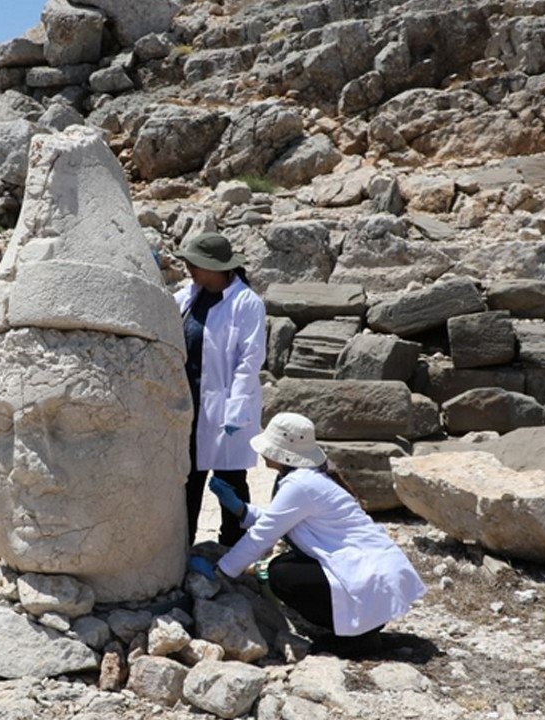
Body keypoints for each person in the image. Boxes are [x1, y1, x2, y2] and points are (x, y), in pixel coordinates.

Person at [189, 412, 427, 658]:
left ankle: (356, 638)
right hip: (374, 577)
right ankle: (359, 628)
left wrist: (221, 572)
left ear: (283, 453)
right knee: (288, 567)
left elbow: (262, 535)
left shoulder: (300, 485)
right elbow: (279, 519)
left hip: (369, 577)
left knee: (281, 574)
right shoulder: (304, 478)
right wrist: (240, 509)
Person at [173, 232, 267, 547]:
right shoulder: (190, 295)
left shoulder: (246, 303)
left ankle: (233, 550)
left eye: (194, 265)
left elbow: (250, 360)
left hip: (227, 406)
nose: (189, 270)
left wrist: (236, 410)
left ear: (214, 267)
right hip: (190, 404)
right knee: (188, 480)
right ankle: (183, 546)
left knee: (230, 481)